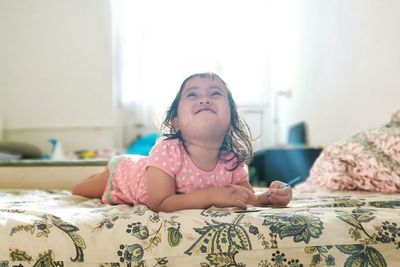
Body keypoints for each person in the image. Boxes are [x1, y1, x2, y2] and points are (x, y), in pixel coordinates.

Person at [72, 72, 292, 212]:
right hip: (124, 174)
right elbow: (161, 203)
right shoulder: (167, 151)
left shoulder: (232, 160)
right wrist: (211, 195)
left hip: (142, 169)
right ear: (176, 122)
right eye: (192, 95)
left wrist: (271, 197)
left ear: (232, 121)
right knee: (79, 190)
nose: (204, 99)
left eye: (215, 94)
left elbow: (246, 197)